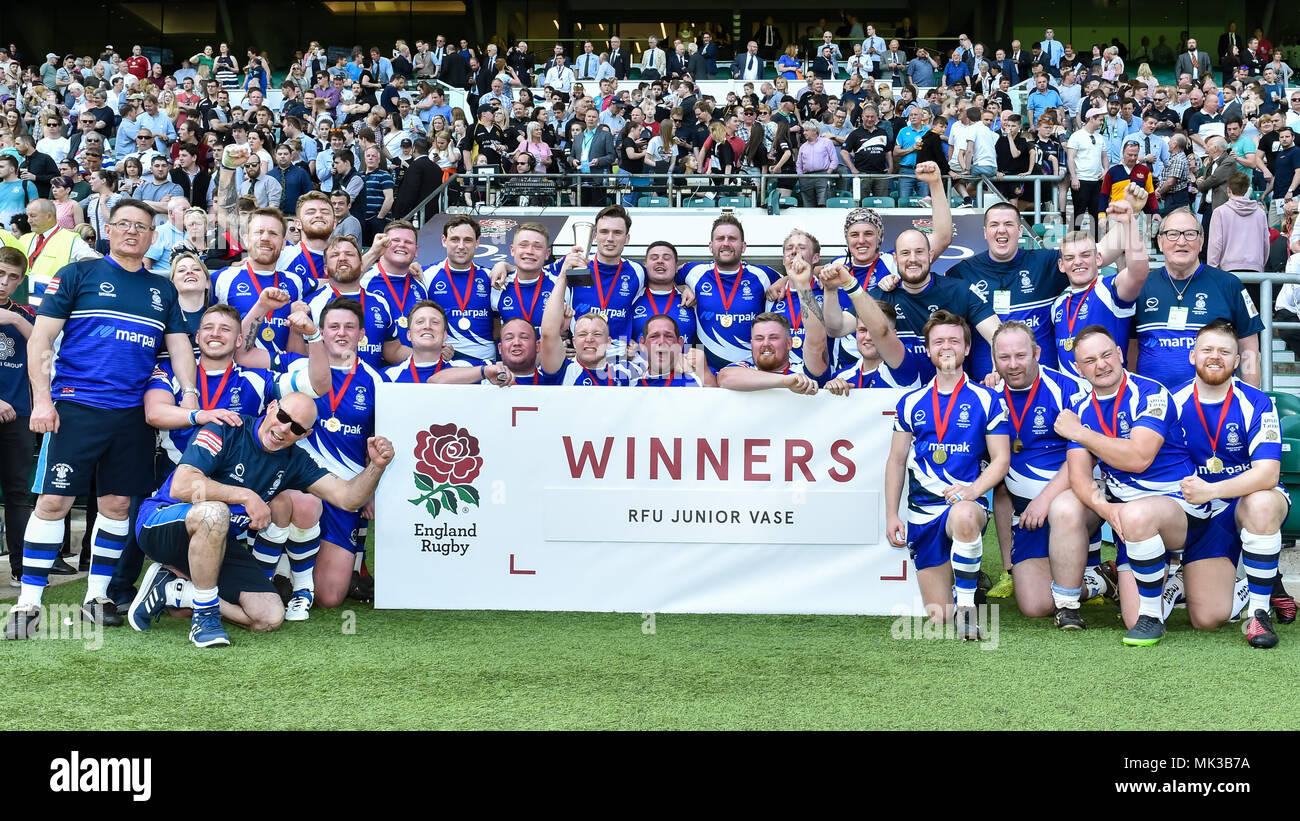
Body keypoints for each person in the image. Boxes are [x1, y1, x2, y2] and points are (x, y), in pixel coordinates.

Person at [3, 199, 197, 640]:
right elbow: (42, 342)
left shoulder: (162, 289)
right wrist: (42, 400)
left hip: (132, 415)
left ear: (152, 237)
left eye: (142, 227)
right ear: (108, 230)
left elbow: (180, 345)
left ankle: (97, 596)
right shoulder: (77, 275)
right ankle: (29, 602)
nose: (132, 232)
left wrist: (188, 396)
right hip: (75, 407)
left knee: (117, 505)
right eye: (124, 224)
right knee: (53, 502)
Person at [130, 387, 395, 646]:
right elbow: (184, 485)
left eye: (297, 428)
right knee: (216, 511)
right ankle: (206, 617)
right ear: (271, 408)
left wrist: (377, 467)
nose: (284, 429)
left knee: (269, 616)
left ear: (305, 435)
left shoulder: (295, 460)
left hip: (216, 543)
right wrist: (247, 496)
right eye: (283, 417)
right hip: (161, 524)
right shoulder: (227, 428)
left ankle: (177, 592)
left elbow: (348, 498)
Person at [1053, 324, 1219, 646]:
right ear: (1078, 368)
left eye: (1106, 355)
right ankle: (1167, 583)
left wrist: (1081, 433)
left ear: (1120, 355)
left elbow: (1138, 458)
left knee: (1209, 614)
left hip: (1180, 507)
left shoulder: (1152, 393)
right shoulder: (1081, 408)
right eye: (1089, 361)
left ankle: (1154, 614)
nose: (1100, 365)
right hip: (1129, 517)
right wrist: (1105, 510)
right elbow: (1078, 477)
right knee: (1066, 505)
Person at [884, 310, 1010, 640]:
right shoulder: (911, 402)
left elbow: (1000, 461)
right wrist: (890, 515)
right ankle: (966, 584)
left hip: (965, 502)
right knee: (938, 617)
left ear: (968, 349)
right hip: (923, 511)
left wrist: (971, 492)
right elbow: (897, 461)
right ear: (928, 350)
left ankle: (967, 606)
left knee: (966, 515)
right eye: (938, 341)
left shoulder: (987, 399)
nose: (947, 346)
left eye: (954, 340)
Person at [1170, 321, 1288, 647]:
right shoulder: (1173, 403)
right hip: (1204, 510)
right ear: (1192, 355)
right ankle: (1254, 579)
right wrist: (1205, 496)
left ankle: (1259, 613)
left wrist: (1212, 490)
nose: (1215, 357)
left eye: (1225, 352)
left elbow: (1267, 475)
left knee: (1261, 502)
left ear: (1237, 361)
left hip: (1248, 499)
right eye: (1207, 350)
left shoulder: (1257, 402)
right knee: (1207, 618)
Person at [1133, 208, 1263, 388]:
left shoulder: (1230, 285)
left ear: (1201, 242)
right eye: (1172, 234)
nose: (1181, 241)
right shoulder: (1141, 286)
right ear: (1160, 242)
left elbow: (1249, 351)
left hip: (1214, 406)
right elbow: (1132, 348)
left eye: (1190, 234)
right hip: (1153, 405)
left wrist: (1252, 397)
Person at [1050, 189, 1151, 376]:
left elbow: (1138, 273)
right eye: (1070, 257)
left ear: (1098, 258)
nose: (1078, 262)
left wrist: (1129, 222)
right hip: (1070, 400)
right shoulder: (1058, 304)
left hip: (1109, 396)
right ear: (1061, 265)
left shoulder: (1109, 289)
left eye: (1085, 255)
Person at [677, 214, 778, 371]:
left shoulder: (762, 275)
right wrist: (683, 288)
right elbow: (662, 277)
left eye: (732, 238)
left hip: (749, 369)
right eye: (720, 238)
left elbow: (797, 278)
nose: (726, 243)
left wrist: (783, 281)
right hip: (706, 370)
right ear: (711, 245)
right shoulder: (694, 272)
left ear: (743, 246)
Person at [212, 208, 311, 360]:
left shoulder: (295, 282)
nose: (265, 238)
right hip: (240, 376)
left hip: (283, 374)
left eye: (273, 233)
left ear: (284, 243)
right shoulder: (222, 278)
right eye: (259, 232)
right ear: (245, 239)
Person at [298, 236, 403, 370]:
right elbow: (305, 355)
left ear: (361, 265)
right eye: (335, 255)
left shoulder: (381, 303)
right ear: (325, 269)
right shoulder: (311, 304)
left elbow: (392, 350)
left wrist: (434, 356)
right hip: (331, 388)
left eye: (349, 254)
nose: (342, 258)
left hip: (371, 387)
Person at [0, 247, 34, 586]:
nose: (4, 282)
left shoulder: (25, 313)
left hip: (19, 414)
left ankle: (21, 569)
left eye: (12, 278)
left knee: (18, 494)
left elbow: (44, 349)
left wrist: (15, 319)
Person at [422, 215, 493, 363]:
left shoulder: (490, 277)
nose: (461, 246)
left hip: (485, 362)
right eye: (455, 239)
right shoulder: (426, 276)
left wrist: (506, 265)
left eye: (468, 240)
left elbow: (499, 323)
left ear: (477, 243)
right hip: (444, 361)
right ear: (444, 241)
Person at [1207, 172, 1269, 274]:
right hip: (1255, 268)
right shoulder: (1260, 214)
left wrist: (1212, 270)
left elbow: (1215, 244)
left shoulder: (1220, 212)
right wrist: (1260, 263)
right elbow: (1266, 242)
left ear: (1229, 189)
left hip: (1228, 269)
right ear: (1247, 189)